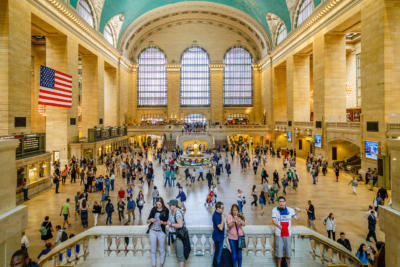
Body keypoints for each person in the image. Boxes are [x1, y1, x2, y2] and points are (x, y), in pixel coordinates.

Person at [272, 196, 300, 267]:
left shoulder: (290, 210)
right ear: (278, 202)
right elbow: (273, 220)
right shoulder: (274, 210)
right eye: (280, 202)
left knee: (288, 253)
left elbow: (297, 218)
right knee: (279, 254)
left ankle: (288, 265)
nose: (281, 203)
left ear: (285, 202)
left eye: (283, 202)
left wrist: (299, 211)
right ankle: (278, 265)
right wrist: (279, 227)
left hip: (288, 234)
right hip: (279, 234)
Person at [147, 197, 169, 267]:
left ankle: (161, 264)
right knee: (153, 250)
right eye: (157, 204)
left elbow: (168, 222)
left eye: (159, 204)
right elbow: (147, 221)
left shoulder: (166, 210)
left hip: (161, 232)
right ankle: (154, 265)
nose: (158, 206)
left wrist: (163, 222)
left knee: (162, 249)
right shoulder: (153, 209)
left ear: (162, 204)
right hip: (152, 231)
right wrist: (151, 220)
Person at [167, 199, 187, 267]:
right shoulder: (172, 212)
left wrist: (171, 224)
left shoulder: (177, 213)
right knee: (178, 255)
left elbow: (180, 225)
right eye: (169, 205)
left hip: (179, 237)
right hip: (175, 237)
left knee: (181, 257)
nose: (169, 206)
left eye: (170, 205)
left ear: (175, 205)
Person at [212, 201, 225, 266]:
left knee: (217, 253)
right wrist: (223, 219)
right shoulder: (216, 216)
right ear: (217, 208)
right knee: (218, 254)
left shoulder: (218, 214)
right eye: (222, 208)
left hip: (219, 237)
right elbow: (220, 228)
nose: (223, 210)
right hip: (218, 238)